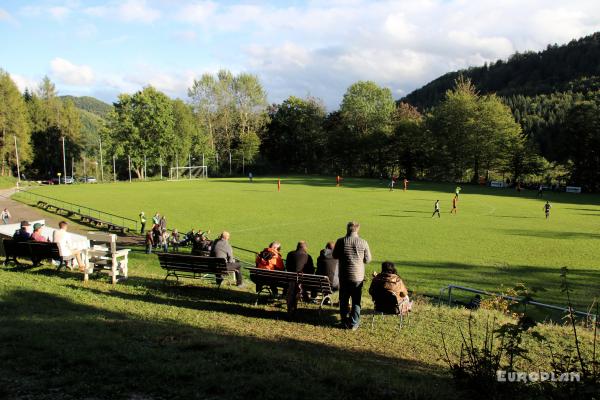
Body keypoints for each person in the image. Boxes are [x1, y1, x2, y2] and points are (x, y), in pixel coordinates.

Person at [333, 221, 371, 330]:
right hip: (357, 276)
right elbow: (368, 260)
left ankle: (344, 321)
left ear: (347, 229)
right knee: (356, 300)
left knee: (344, 299)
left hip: (344, 275)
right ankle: (354, 323)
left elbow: (335, 255)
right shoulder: (363, 242)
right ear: (357, 229)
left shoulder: (341, 241)